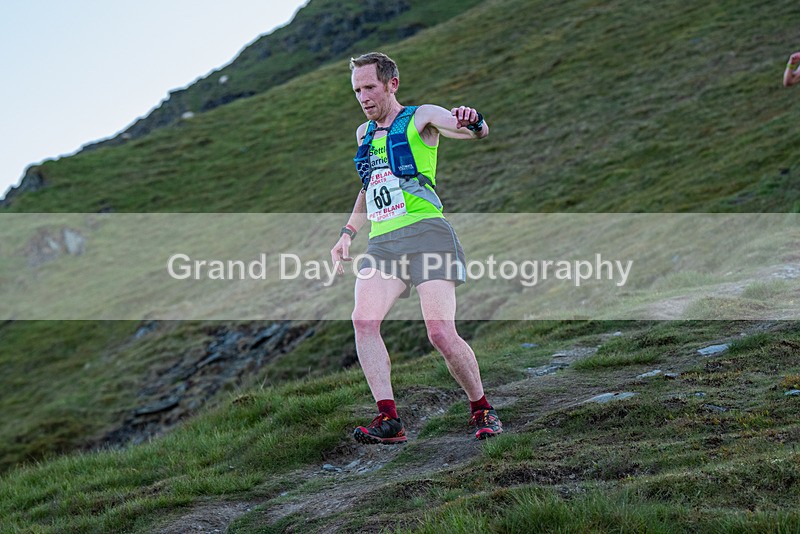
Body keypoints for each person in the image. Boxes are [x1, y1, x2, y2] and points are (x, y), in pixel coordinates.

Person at [329, 52, 502, 444]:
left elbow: (471, 131)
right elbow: (369, 188)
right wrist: (347, 233)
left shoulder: (422, 116)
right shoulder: (363, 134)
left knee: (440, 332)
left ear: (392, 84)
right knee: (363, 321)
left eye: (370, 87)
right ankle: (389, 420)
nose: (363, 96)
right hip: (384, 242)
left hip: (427, 234)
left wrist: (473, 121)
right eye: (357, 90)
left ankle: (482, 408)